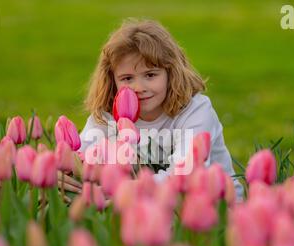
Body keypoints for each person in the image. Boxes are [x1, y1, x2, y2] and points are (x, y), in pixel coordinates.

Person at [61, 18, 244, 201]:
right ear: (112, 80)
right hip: (144, 208)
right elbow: (78, 158)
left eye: (150, 75)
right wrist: (61, 171)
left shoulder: (194, 111)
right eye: (127, 78)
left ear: (170, 72)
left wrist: (123, 189)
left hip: (213, 208)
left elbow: (185, 174)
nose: (139, 87)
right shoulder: (106, 116)